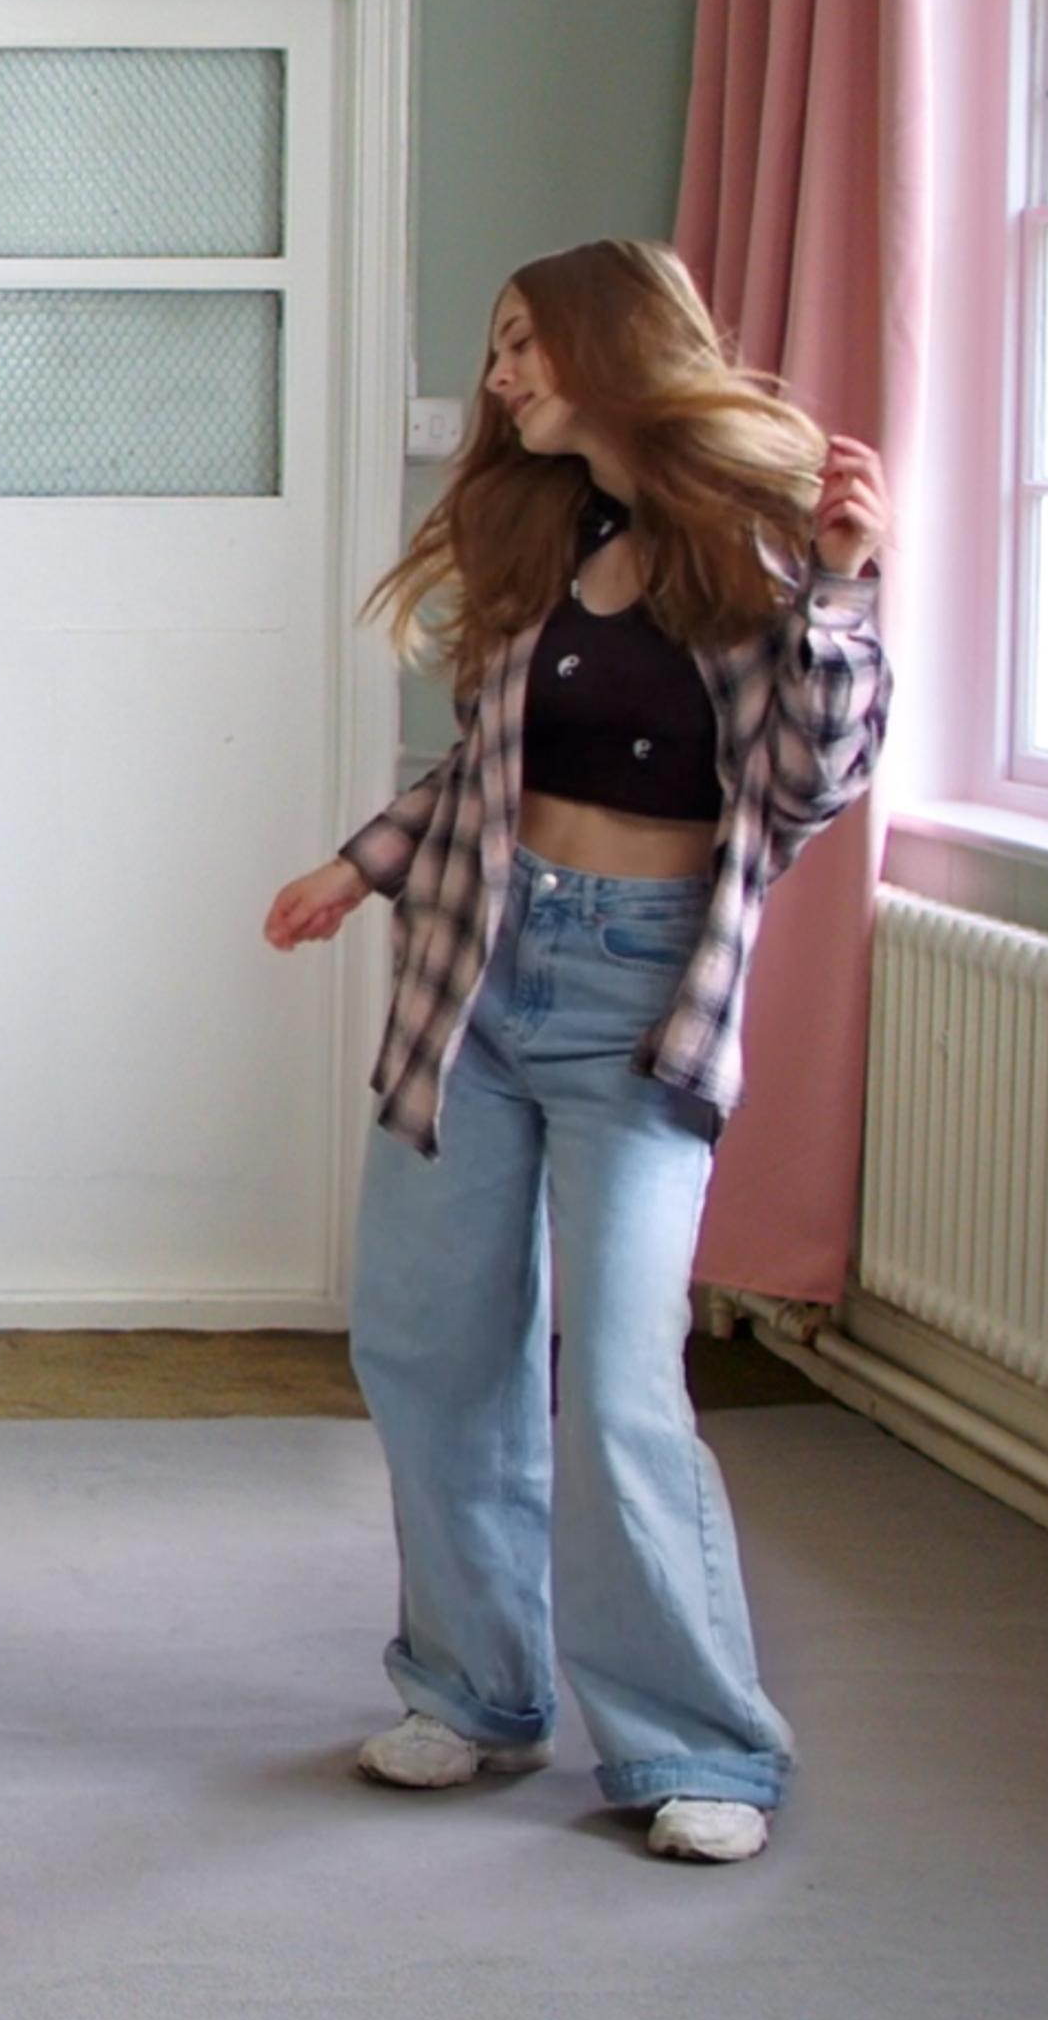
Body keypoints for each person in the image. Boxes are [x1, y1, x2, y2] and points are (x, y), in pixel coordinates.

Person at [263, 238, 890, 1866]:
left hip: (638, 1004)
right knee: (430, 1351)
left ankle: (700, 1749)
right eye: (499, 347)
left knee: (616, 1387)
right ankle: (476, 1695)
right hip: (478, 976)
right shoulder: (545, 532)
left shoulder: (754, 548)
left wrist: (841, 587)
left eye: (527, 344)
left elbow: (815, 784)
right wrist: (358, 865)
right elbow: (482, 772)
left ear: (613, 350)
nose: (504, 377)